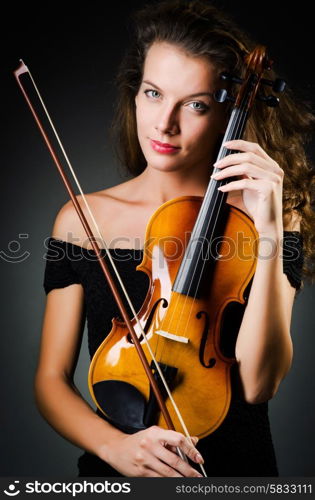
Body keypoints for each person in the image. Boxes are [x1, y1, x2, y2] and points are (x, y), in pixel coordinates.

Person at [35, 0, 315, 477]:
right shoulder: (81, 219)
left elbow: (259, 384)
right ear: (134, 93)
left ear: (229, 113)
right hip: (120, 474)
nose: (166, 124)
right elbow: (51, 379)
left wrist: (268, 234)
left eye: (196, 105)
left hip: (234, 476)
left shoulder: (269, 217)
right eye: (153, 93)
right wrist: (116, 448)